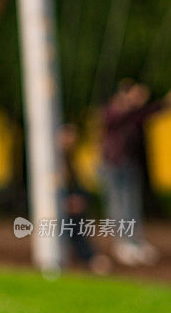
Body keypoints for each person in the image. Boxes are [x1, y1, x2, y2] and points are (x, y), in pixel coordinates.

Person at [100, 79, 171, 266]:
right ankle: (122, 244)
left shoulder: (134, 113)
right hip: (113, 165)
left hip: (130, 164)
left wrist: (164, 104)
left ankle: (135, 242)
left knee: (132, 206)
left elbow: (146, 114)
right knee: (119, 207)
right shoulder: (114, 110)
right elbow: (120, 118)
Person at [57, 123, 111, 275]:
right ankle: (88, 256)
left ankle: (87, 255)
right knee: (73, 222)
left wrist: (81, 198)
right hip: (60, 207)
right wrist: (65, 201)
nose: (71, 139)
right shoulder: (51, 161)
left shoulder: (69, 159)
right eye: (68, 135)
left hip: (70, 206)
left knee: (79, 218)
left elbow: (77, 186)